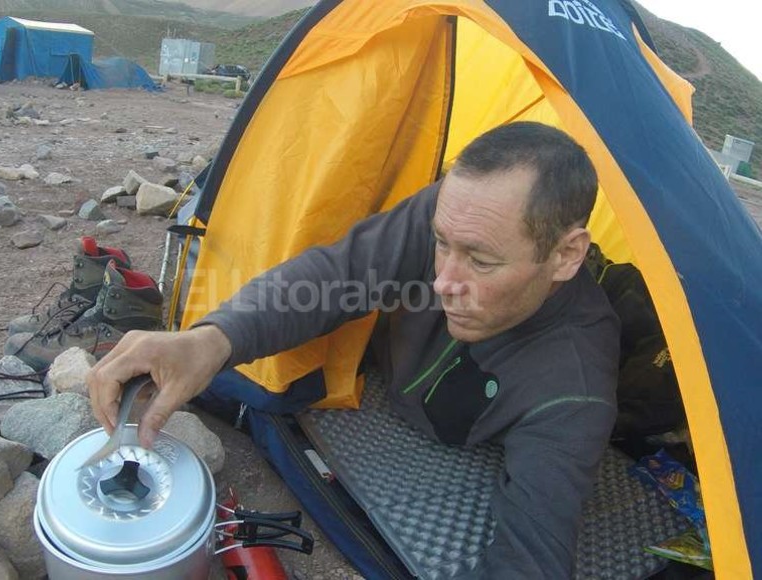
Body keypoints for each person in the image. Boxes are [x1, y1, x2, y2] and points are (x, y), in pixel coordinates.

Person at [87, 121, 620, 577]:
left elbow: (532, 553)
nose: (441, 281)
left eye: (480, 263)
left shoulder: (574, 386)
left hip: (437, 446)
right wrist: (211, 338)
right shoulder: (463, 217)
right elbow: (339, 275)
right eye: (440, 244)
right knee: (199, 370)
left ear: (566, 255)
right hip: (368, 376)